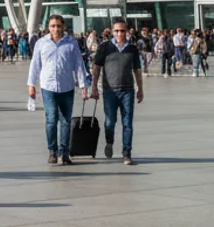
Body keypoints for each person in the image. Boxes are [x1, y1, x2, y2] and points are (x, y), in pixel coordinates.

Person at [27, 14, 88, 165]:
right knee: (51, 119)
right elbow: (35, 65)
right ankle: (52, 151)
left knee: (66, 121)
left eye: (58, 26)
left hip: (66, 87)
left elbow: (79, 65)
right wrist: (31, 85)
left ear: (63, 27)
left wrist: (83, 85)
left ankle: (64, 152)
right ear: (48, 27)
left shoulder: (71, 43)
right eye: (53, 26)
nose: (56, 29)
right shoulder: (41, 43)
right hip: (48, 87)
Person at [90, 18, 143, 165]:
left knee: (127, 123)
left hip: (127, 91)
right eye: (117, 31)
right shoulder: (104, 47)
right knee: (109, 122)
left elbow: (137, 70)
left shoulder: (132, 49)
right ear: (112, 32)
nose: (120, 34)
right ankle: (109, 141)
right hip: (110, 92)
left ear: (127, 32)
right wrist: (94, 86)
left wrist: (140, 89)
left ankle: (127, 153)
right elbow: (96, 68)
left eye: (122, 31)